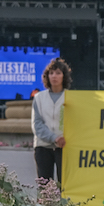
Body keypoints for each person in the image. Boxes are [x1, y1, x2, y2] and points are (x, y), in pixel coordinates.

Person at [33, 57, 71, 186]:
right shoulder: (39, 98)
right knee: (44, 187)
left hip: (65, 147)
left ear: (64, 76)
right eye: (51, 73)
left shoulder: (71, 98)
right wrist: (54, 138)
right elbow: (37, 124)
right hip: (43, 147)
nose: (54, 76)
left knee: (65, 185)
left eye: (58, 73)